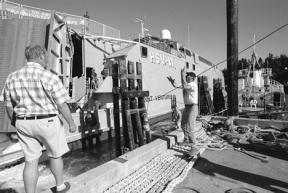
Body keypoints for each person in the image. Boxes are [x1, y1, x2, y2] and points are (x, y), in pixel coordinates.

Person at [0, 45, 77, 193]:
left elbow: (9, 106)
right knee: (55, 155)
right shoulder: (49, 76)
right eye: (46, 57)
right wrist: (71, 123)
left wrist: (14, 122)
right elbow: (62, 105)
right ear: (41, 56)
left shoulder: (12, 77)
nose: (47, 60)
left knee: (30, 161)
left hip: (23, 122)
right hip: (47, 121)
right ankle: (60, 186)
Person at [168, 67, 198, 146]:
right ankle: (186, 140)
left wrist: (181, 74)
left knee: (189, 125)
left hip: (193, 107)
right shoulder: (187, 84)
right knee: (183, 124)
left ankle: (193, 142)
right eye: (185, 75)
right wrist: (172, 82)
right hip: (187, 107)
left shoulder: (193, 84)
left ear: (192, 78)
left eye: (187, 75)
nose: (186, 76)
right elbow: (177, 85)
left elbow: (184, 86)